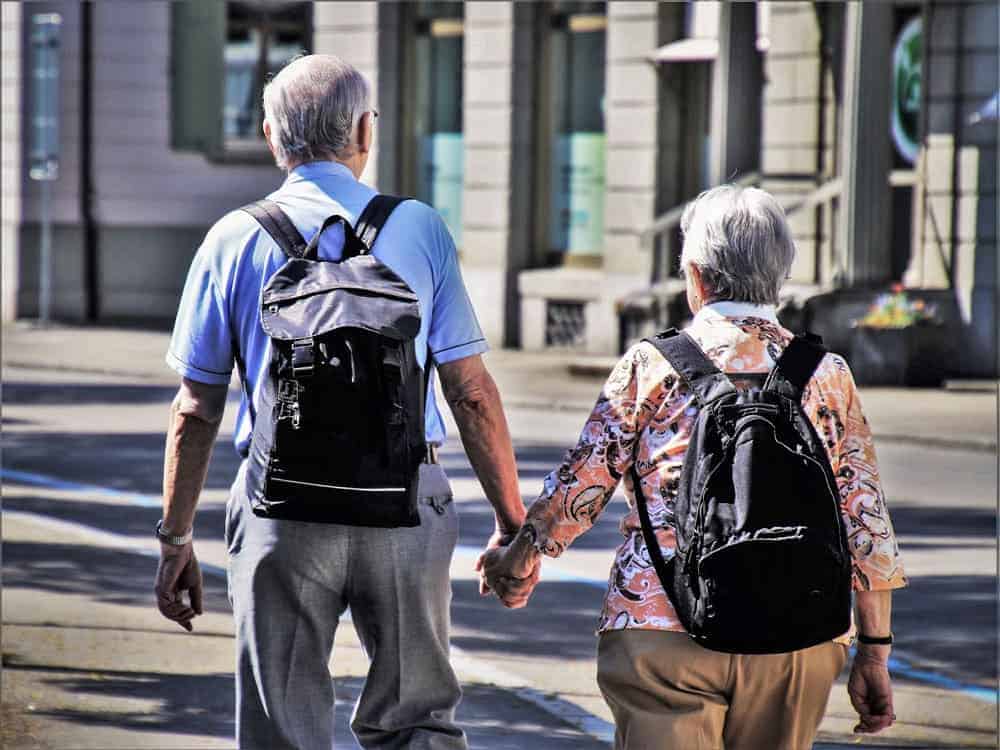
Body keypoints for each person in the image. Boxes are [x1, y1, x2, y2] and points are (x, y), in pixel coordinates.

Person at [153, 54, 536, 750]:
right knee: (417, 718)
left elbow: (196, 410)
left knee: (281, 727)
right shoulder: (419, 229)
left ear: (273, 136)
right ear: (365, 131)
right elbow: (471, 393)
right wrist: (515, 526)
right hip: (405, 505)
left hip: (282, 510)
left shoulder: (231, 238)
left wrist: (176, 539)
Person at [482, 184, 907, 750]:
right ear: (780, 273)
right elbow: (865, 520)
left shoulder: (652, 365)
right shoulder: (826, 373)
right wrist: (874, 650)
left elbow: (581, 486)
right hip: (796, 636)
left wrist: (520, 556)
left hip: (661, 624)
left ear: (697, 275)